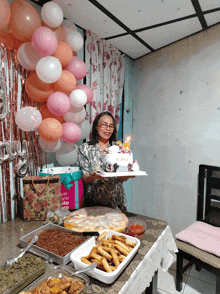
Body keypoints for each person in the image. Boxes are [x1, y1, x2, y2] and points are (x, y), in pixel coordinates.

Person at [78, 111, 135, 213]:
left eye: (111, 126)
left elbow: (120, 177)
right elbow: (85, 178)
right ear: (96, 126)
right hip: (93, 203)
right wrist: (93, 176)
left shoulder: (118, 148)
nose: (108, 129)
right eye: (104, 125)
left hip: (116, 202)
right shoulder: (84, 149)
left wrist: (128, 175)